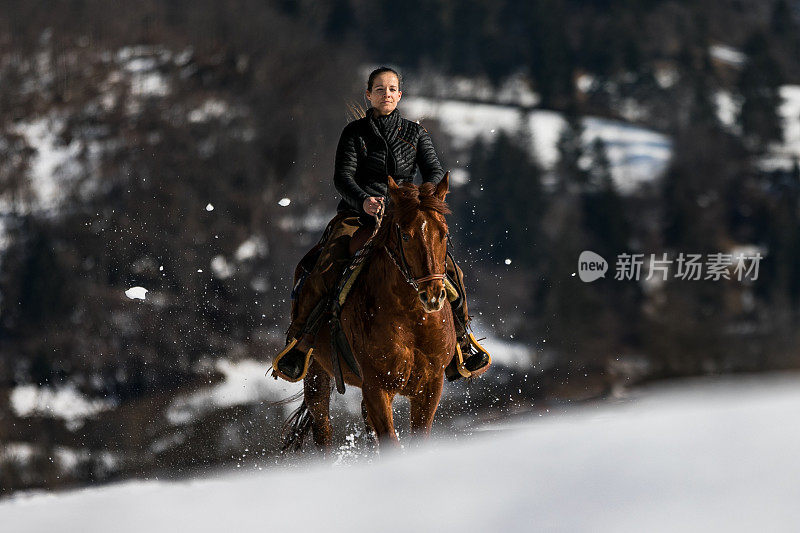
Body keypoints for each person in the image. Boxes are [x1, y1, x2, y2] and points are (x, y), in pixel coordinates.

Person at [272, 67, 490, 382]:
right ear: (368, 95)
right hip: (358, 214)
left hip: (405, 214)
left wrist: (420, 200)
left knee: (448, 268)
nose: (385, 94)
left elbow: (434, 172)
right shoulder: (354, 133)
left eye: (391, 89)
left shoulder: (416, 133)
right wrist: (363, 201)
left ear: (399, 95)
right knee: (324, 264)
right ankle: (301, 343)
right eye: (379, 89)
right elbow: (342, 177)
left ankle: (462, 339)